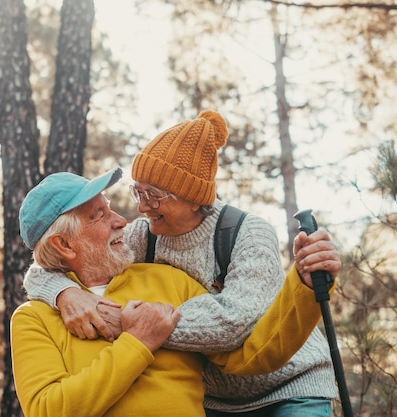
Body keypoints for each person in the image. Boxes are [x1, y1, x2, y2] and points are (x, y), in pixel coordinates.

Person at [24, 110, 341, 416]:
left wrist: (138, 326)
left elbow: (233, 323)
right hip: (216, 398)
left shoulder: (247, 233)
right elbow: (54, 260)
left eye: (155, 195)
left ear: (194, 198)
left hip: (288, 383)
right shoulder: (140, 238)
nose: (142, 207)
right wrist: (64, 293)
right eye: (138, 192)